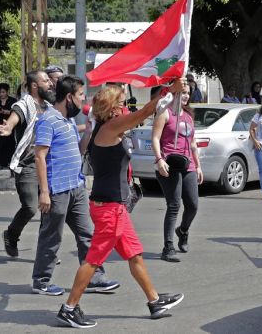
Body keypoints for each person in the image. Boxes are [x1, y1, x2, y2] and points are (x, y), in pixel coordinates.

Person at [56, 79, 186, 328]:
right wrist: (169, 90)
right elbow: (146, 112)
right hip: (109, 207)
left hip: (113, 206)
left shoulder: (108, 128)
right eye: (123, 103)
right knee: (93, 260)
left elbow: (145, 116)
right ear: (113, 108)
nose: (126, 106)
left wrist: (166, 97)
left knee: (134, 253)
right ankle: (69, 308)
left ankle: (154, 301)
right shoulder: (111, 126)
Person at [33, 75, 119, 296]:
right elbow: (39, 157)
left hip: (76, 188)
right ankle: (41, 281)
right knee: (52, 236)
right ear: (69, 97)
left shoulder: (69, 121)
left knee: (88, 234)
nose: (84, 99)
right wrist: (44, 192)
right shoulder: (48, 120)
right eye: (81, 95)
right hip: (57, 190)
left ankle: (94, 277)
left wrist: (89, 131)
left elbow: (80, 151)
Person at [0, 71, 54, 258]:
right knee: (30, 206)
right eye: (46, 81)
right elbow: (15, 116)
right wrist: (9, 127)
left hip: (48, 163)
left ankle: (45, 249)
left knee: (49, 208)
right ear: (35, 86)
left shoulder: (49, 107)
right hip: (28, 164)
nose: (50, 84)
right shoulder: (24, 104)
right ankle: (11, 235)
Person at [152, 82, 203, 262]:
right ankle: (168, 247)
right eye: (183, 92)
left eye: (188, 93)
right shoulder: (165, 113)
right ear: (174, 93)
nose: (186, 96)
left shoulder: (188, 116)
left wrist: (198, 165)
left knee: (193, 205)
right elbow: (155, 138)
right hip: (169, 164)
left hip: (187, 165)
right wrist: (159, 160)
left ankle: (183, 231)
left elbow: (193, 143)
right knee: (174, 205)